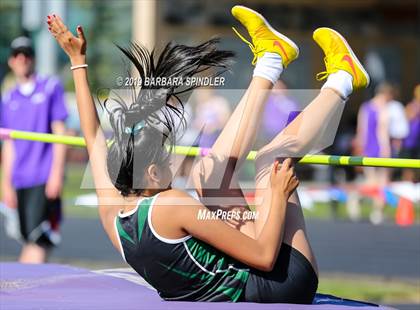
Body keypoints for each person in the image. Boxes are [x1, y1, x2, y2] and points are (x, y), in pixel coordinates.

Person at [47, 5, 369, 304]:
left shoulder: (114, 217)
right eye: (164, 158)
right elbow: (264, 256)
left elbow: (92, 138)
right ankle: (343, 77)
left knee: (206, 174)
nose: (171, 161)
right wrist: (277, 193)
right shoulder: (170, 205)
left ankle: (271, 59)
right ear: (152, 174)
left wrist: (78, 61)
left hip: (253, 274)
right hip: (279, 283)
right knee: (270, 160)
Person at [0, 36, 68, 263]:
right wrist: (5, 184)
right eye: (18, 55)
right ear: (11, 61)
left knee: (39, 239)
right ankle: (31, 290)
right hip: (20, 178)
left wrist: (56, 174)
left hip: (43, 175)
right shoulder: (8, 98)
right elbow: (8, 144)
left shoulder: (50, 87)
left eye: (27, 54)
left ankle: (25, 291)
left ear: (33, 58)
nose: (22, 59)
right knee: (30, 238)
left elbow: (60, 133)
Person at [355, 83, 395, 224]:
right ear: (386, 95)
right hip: (379, 148)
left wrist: (360, 147)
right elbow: (382, 131)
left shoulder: (365, 107)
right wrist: (386, 150)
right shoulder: (383, 108)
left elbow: (361, 130)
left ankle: (357, 199)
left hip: (368, 148)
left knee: (371, 181)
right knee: (381, 183)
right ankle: (376, 212)